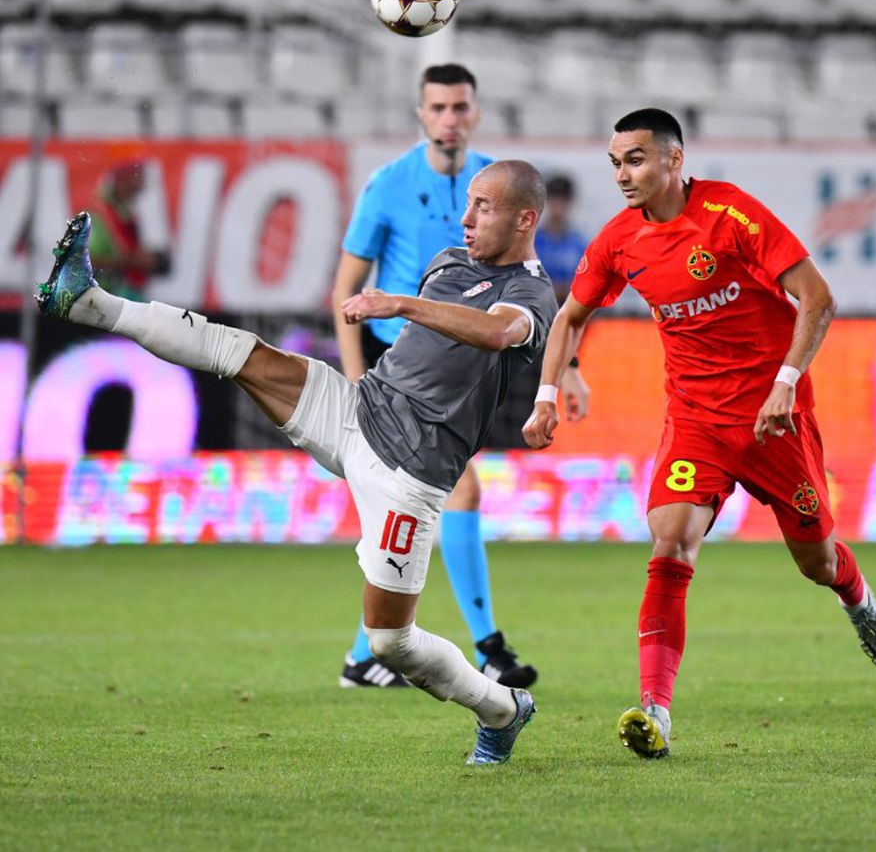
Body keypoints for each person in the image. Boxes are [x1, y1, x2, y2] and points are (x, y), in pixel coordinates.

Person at [36, 160, 555, 765]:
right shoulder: (449, 260)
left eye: (484, 207)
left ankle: (501, 710)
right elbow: (424, 352)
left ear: (525, 218)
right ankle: (89, 302)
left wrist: (402, 305)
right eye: (467, 203)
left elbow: (495, 334)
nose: (466, 218)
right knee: (239, 352)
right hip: (358, 410)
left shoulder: (531, 293)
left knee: (389, 641)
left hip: (409, 475)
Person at [523, 108, 876, 760]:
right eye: (615, 163)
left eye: (635, 159)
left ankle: (857, 597)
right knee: (670, 543)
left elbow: (817, 296)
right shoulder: (618, 240)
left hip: (773, 419)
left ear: (674, 160)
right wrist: (550, 392)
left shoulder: (731, 217)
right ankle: (655, 710)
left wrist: (786, 380)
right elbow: (570, 314)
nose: (622, 174)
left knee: (817, 560)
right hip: (696, 420)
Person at [330, 62, 585, 689]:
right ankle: (484, 646)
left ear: (475, 112)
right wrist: (361, 382)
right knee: (458, 495)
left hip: (468, 371)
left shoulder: (495, 183)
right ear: (420, 114)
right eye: (438, 107)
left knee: (417, 510)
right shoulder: (387, 185)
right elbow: (345, 290)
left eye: (460, 107)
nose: (450, 118)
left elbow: (530, 293)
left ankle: (367, 653)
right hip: (401, 374)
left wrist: (568, 366)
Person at [87, 157, 170, 301]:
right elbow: (85, 260)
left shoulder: (129, 213)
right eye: (136, 176)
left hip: (126, 295)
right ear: (121, 180)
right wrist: (132, 262)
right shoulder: (101, 216)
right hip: (105, 298)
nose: (142, 183)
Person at [533, 173, 588, 304]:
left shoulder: (578, 244)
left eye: (563, 200)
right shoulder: (532, 242)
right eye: (554, 199)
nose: (558, 206)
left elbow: (586, 283)